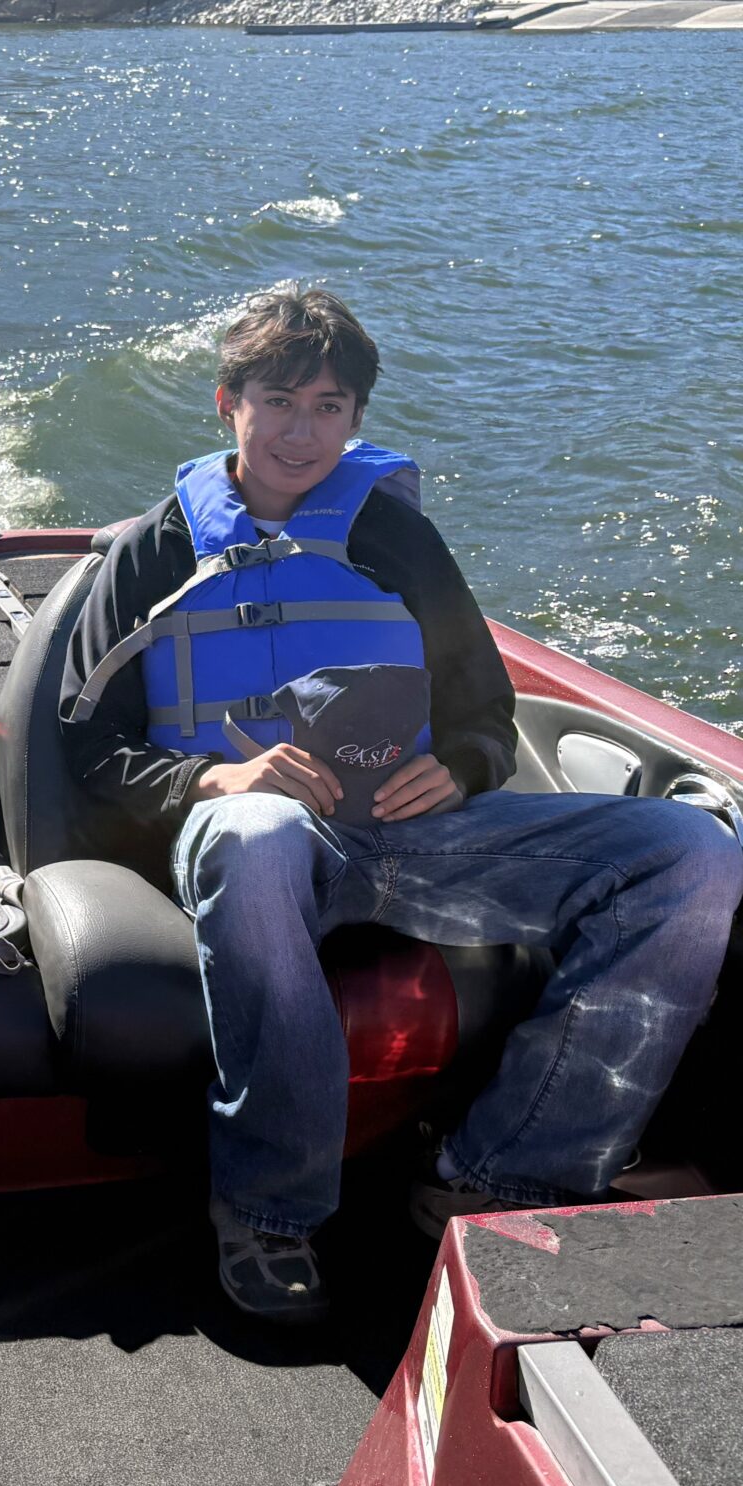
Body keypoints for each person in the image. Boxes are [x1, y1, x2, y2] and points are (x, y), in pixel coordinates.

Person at [59, 288, 743, 1324]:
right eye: (277, 401)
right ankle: (268, 1207)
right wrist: (215, 780)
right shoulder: (150, 554)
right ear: (224, 403)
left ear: (356, 420)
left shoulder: (393, 538)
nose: (300, 431)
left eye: (328, 407)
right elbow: (86, 742)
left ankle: (502, 1172)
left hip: (416, 837)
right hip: (249, 842)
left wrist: (463, 767)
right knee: (257, 830)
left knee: (689, 854)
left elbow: (480, 703)